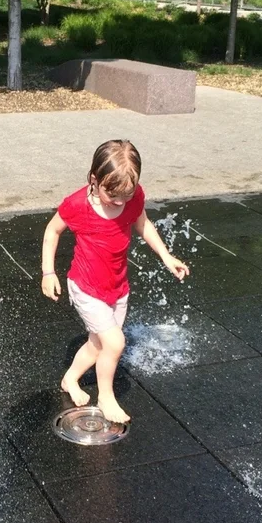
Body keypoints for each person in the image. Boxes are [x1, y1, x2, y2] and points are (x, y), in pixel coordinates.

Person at [40, 140, 190, 423]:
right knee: (115, 343)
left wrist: (166, 257)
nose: (121, 202)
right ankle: (106, 397)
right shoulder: (78, 205)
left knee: (99, 345)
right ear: (95, 180)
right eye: (113, 196)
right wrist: (49, 272)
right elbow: (52, 231)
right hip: (85, 287)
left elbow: (143, 224)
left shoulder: (131, 198)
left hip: (117, 288)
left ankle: (70, 379)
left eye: (127, 195)